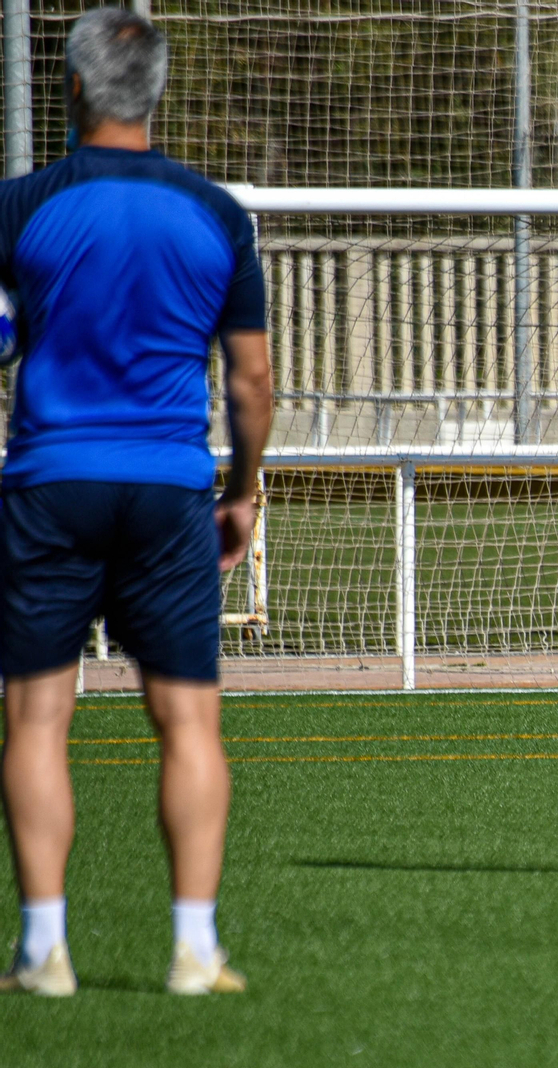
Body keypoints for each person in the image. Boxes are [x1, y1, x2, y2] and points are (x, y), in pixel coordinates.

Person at [0, 8, 271, 996]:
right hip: (168, 490)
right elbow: (250, 383)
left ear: (70, 90)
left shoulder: (19, 206)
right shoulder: (215, 214)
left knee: (36, 718)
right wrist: (240, 491)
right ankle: (195, 952)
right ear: (156, 93)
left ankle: (42, 954)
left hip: (50, 485)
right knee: (189, 720)